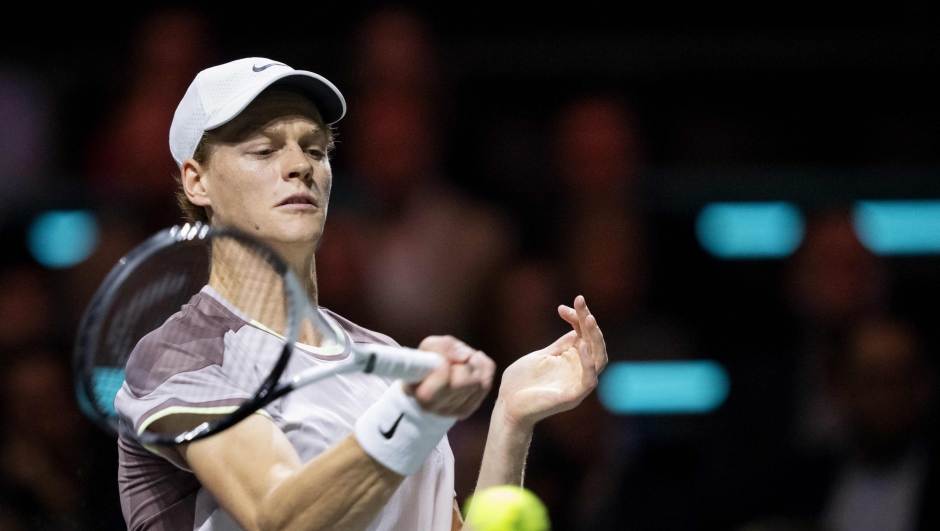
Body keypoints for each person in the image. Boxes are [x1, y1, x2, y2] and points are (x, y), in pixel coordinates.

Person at [114, 58, 608, 531]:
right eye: (264, 150)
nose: (299, 166)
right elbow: (281, 516)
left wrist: (511, 419)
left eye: (314, 149)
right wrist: (413, 415)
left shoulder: (383, 355)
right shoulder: (181, 356)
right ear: (197, 181)